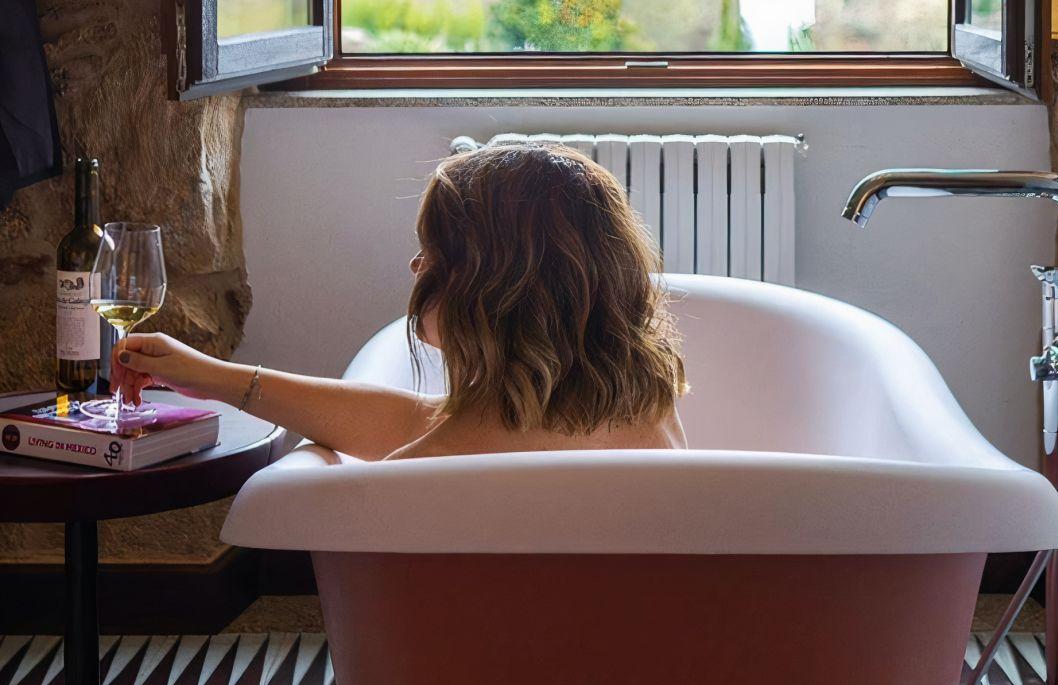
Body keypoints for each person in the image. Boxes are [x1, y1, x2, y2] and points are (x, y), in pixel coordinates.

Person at [111, 142, 686, 460]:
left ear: (491, 290)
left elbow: (422, 433)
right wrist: (211, 376)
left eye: (434, 255)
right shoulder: (640, 408)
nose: (416, 268)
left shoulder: (427, 468)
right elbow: (411, 416)